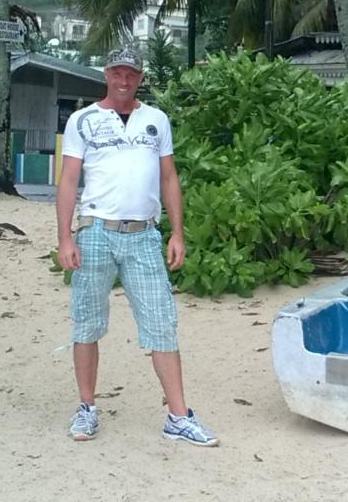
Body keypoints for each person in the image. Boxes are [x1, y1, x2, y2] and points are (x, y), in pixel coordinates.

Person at [55, 45, 219, 447]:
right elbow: (68, 180)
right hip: (95, 230)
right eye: (117, 72)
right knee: (87, 322)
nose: (124, 80)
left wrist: (176, 232)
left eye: (131, 73)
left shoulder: (156, 120)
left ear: (140, 77)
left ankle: (179, 416)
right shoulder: (83, 120)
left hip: (144, 234)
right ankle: (87, 408)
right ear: (106, 74)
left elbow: (169, 178)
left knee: (162, 323)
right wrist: (64, 237)